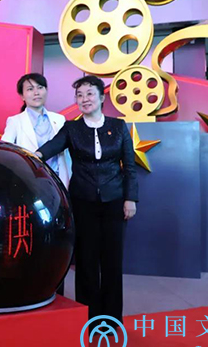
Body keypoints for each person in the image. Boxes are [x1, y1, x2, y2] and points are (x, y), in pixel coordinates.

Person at [36, 75, 138, 329]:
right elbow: (51, 147)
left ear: (102, 98)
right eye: (79, 95)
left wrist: (130, 198)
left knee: (112, 261)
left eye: (90, 94)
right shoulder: (72, 128)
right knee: (86, 261)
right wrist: (32, 155)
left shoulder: (118, 126)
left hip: (115, 201)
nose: (84, 99)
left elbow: (130, 166)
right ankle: (90, 319)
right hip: (82, 201)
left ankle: (111, 320)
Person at [1, 73, 72, 189]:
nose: (36, 92)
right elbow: (4, 151)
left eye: (40, 87)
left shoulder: (59, 119)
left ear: (46, 90)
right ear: (22, 96)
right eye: (30, 89)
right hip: (28, 181)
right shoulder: (15, 121)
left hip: (58, 182)